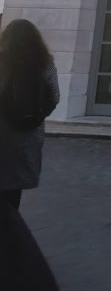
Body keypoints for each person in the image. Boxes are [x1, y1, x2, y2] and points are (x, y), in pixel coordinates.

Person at [0, 19, 61, 290]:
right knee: (11, 199)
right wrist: (34, 119)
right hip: (25, 143)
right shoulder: (45, 63)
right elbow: (54, 97)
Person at [0, 19, 60, 211]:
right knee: (12, 195)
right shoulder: (45, 63)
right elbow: (54, 96)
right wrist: (37, 115)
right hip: (27, 136)